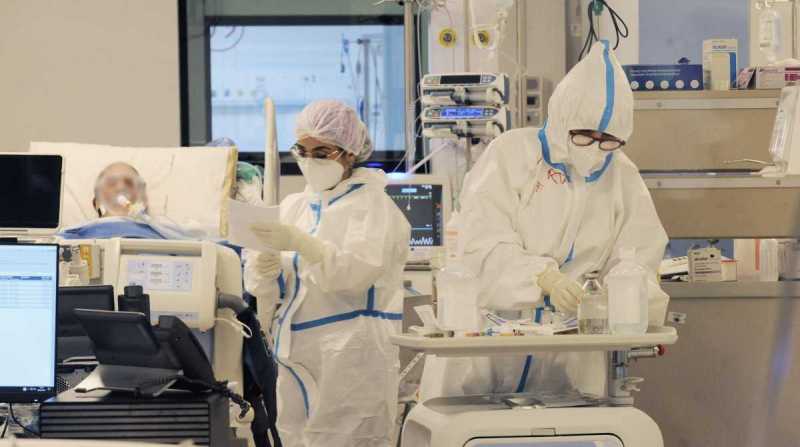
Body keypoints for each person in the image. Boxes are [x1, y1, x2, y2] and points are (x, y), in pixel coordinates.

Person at [438, 41, 669, 397]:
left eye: (608, 140)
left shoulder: (622, 176)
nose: (596, 149)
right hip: (492, 342)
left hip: (573, 350)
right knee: (478, 421)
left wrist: (615, 301)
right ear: (562, 119)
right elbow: (481, 242)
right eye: (584, 135)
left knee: (570, 422)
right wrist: (542, 278)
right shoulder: (512, 155)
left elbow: (638, 255)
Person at [244, 100, 411, 447]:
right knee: (295, 438)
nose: (309, 161)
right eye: (302, 151)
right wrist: (265, 272)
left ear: (350, 153)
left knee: (346, 439)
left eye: (321, 153)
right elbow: (271, 288)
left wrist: (303, 244)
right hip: (295, 354)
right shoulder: (296, 206)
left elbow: (353, 274)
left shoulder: (373, 207)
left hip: (350, 356)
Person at [59, 161, 188, 240]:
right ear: (97, 202)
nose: (120, 188)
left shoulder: (164, 231)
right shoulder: (74, 234)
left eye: (129, 183)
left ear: (143, 200)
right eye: (111, 183)